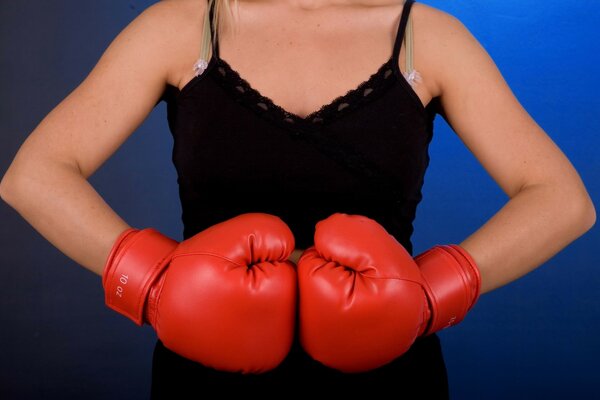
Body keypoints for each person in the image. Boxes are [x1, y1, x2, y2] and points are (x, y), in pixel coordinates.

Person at [0, 0, 595, 397]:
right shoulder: (183, 27)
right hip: (205, 373)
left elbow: (562, 200)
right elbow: (34, 174)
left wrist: (432, 295)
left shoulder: (424, 36)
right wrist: (156, 288)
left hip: (388, 371)